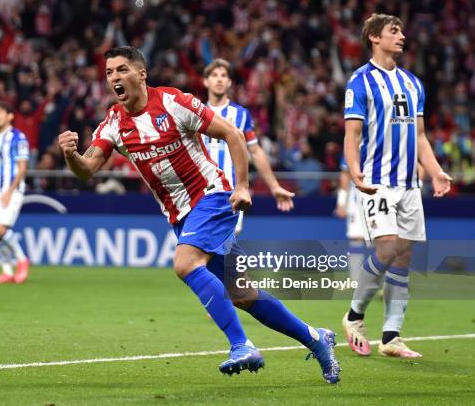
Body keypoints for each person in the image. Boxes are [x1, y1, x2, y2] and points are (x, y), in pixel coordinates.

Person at [58, 46, 340, 383]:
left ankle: (241, 345)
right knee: (243, 294)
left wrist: (242, 186)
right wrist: (71, 154)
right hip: (180, 216)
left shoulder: (174, 102)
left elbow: (232, 134)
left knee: (185, 263)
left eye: (121, 70)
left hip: (211, 197)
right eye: (109, 73)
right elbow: (87, 169)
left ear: (141, 74)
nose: (114, 78)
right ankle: (315, 338)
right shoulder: (114, 123)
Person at [342, 14, 452, 358]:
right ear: (375, 37)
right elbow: (352, 134)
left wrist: (434, 171)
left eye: (401, 31)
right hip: (377, 182)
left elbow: (420, 136)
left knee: (403, 259)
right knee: (387, 250)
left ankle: (391, 337)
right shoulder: (359, 82)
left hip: (409, 184)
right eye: (394, 31)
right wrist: (356, 172)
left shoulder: (413, 84)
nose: (402, 36)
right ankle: (354, 315)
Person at [201, 58, 294, 234]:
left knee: (225, 249)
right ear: (205, 81)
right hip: (200, 192)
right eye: (214, 75)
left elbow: (256, 151)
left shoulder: (241, 115)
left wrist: (274, 186)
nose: (219, 79)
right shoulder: (195, 112)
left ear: (229, 82)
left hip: (232, 193)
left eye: (224, 76)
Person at [0, 102, 30, 284]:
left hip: (12, 189)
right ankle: (6, 271)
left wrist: (9, 191)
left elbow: (22, 167)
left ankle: (22, 260)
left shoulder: (19, 138)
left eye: (0, 112)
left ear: (10, 116)